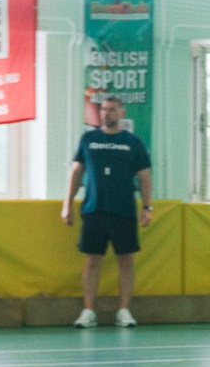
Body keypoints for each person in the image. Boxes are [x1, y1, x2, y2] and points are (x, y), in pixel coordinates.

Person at [63, 95, 152, 329]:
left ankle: (124, 310)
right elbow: (76, 172)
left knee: (126, 260)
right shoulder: (88, 139)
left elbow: (144, 176)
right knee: (92, 260)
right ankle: (88, 311)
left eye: (112, 109)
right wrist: (67, 204)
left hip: (124, 210)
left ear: (122, 113)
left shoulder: (133, 142)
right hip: (94, 209)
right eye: (103, 109)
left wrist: (147, 207)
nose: (107, 113)